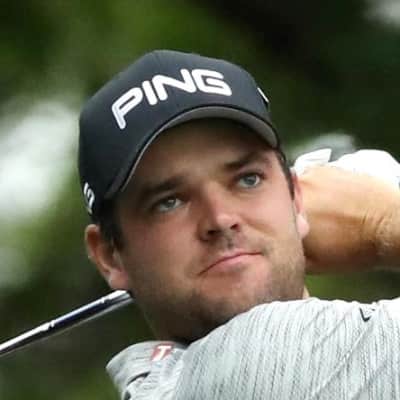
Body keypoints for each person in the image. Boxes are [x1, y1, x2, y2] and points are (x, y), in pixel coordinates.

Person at [78, 50, 400, 399]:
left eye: (248, 179)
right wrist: (380, 219)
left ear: (295, 197)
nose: (220, 219)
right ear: (110, 256)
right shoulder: (255, 367)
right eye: (168, 202)